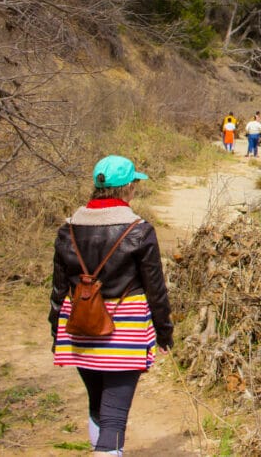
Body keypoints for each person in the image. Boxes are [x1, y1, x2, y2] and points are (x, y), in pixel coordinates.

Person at [49, 155, 173, 456]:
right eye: (134, 186)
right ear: (127, 188)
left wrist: (56, 331)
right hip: (124, 330)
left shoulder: (68, 228)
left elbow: (58, 289)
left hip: (77, 325)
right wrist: (164, 331)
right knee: (115, 416)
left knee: (97, 404)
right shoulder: (140, 230)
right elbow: (155, 288)